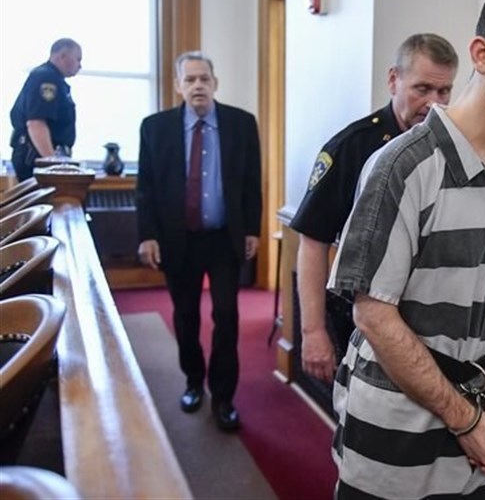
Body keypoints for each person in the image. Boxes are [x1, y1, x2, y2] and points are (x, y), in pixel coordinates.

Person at [327, 0, 485, 499]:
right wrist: (466, 421)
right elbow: (372, 314)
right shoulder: (403, 164)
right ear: (483, 54)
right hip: (396, 433)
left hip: (483, 419)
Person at [291, 33, 458, 384]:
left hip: (429, 324)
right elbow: (313, 242)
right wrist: (312, 331)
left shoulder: (451, 149)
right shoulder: (352, 147)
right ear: (393, 80)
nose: (434, 103)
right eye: (422, 89)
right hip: (360, 319)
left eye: (444, 91)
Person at [135, 51, 262, 432]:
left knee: (227, 315)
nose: (198, 86)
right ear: (178, 86)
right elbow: (145, 188)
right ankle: (193, 381)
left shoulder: (241, 124)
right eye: (189, 79)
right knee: (186, 315)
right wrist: (148, 235)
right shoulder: (155, 128)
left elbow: (251, 183)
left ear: (215, 83)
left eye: (204, 78)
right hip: (179, 240)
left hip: (224, 239)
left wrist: (252, 230)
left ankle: (223, 396)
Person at [9, 38, 82, 181]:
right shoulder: (46, 78)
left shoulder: (55, 79)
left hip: (40, 156)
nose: (80, 65)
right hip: (36, 157)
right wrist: (53, 164)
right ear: (62, 56)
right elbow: (36, 123)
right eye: (77, 59)